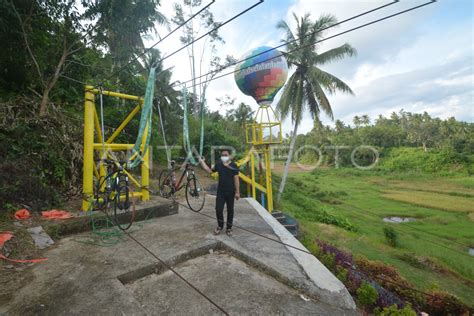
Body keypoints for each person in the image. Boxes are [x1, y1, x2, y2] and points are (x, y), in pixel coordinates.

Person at [198, 149, 240, 236]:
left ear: (229, 156)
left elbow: (236, 179)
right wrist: (202, 162)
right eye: (222, 155)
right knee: (218, 209)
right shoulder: (219, 164)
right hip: (221, 191)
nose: (224, 157)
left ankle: (229, 228)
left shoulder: (234, 165)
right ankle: (220, 226)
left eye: (226, 155)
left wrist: (237, 192)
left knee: (230, 210)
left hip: (231, 191)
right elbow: (209, 170)